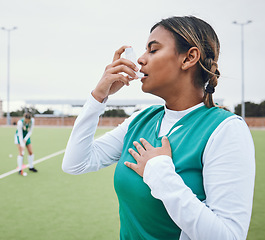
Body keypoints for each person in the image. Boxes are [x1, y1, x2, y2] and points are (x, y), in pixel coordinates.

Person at [62, 16, 255, 240]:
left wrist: (159, 172)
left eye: (153, 50)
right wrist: (98, 96)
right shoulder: (140, 120)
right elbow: (76, 164)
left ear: (189, 58)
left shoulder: (225, 129)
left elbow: (228, 236)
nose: (141, 60)